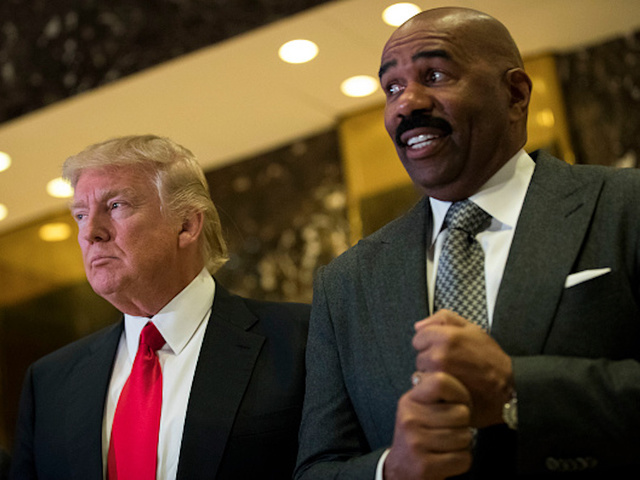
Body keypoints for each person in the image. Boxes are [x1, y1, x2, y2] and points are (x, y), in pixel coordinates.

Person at [295, 6, 640, 480]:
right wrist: (390, 470)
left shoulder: (626, 204)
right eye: (391, 88)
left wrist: (518, 390)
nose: (406, 104)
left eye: (434, 75)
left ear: (515, 94)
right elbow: (317, 468)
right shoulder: (346, 284)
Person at [10, 135, 309, 479]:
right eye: (80, 214)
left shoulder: (301, 340)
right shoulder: (49, 383)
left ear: (186, 225)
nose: (90, 232)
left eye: (116, 206)